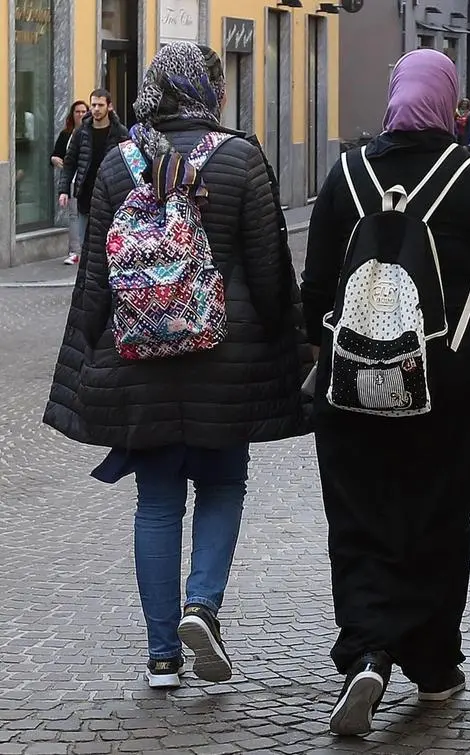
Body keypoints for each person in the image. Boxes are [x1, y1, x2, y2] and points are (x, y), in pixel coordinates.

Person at [43, 42, 313, 690]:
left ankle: (162, 654)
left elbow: (95, 288)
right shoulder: (242, 159)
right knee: (223, 484)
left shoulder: (117, 164)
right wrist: (289, 341)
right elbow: (271, 268)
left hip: (140, 359)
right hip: (228, 357)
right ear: (209, 93)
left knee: (157, 501)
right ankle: (203, 605)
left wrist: (82, 358)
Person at [302, 48, 470, 737]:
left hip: (351, 386)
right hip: (450, 381)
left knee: (359, 515)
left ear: (394, 97)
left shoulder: (346, 174)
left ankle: (367, 651)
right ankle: (433, 665)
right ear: (451, 102)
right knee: (438, 514)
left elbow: (312, 293)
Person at [57, 89, 129, 265]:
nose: (96, 109)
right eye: (94, 105)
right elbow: (70, 163)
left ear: (109, 107)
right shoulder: (81, 132)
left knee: (110, 243)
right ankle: (87, 284)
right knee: (85, 244)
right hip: (85, 195)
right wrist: (63, 190)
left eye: (100, 105)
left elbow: (128, 163)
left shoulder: (120, 132)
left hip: (110, 197)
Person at [51, 100, 88, 265]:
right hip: (72, 181)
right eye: (77, 112)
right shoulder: (67, 134)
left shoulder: (91, 133)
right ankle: (75, 252)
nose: (80, 114)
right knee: (73, 216)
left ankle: (87, 250)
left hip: (88, 181)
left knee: (87, 215)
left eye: (83, 111)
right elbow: (55, 154)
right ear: (72, 115)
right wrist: (55, 159)